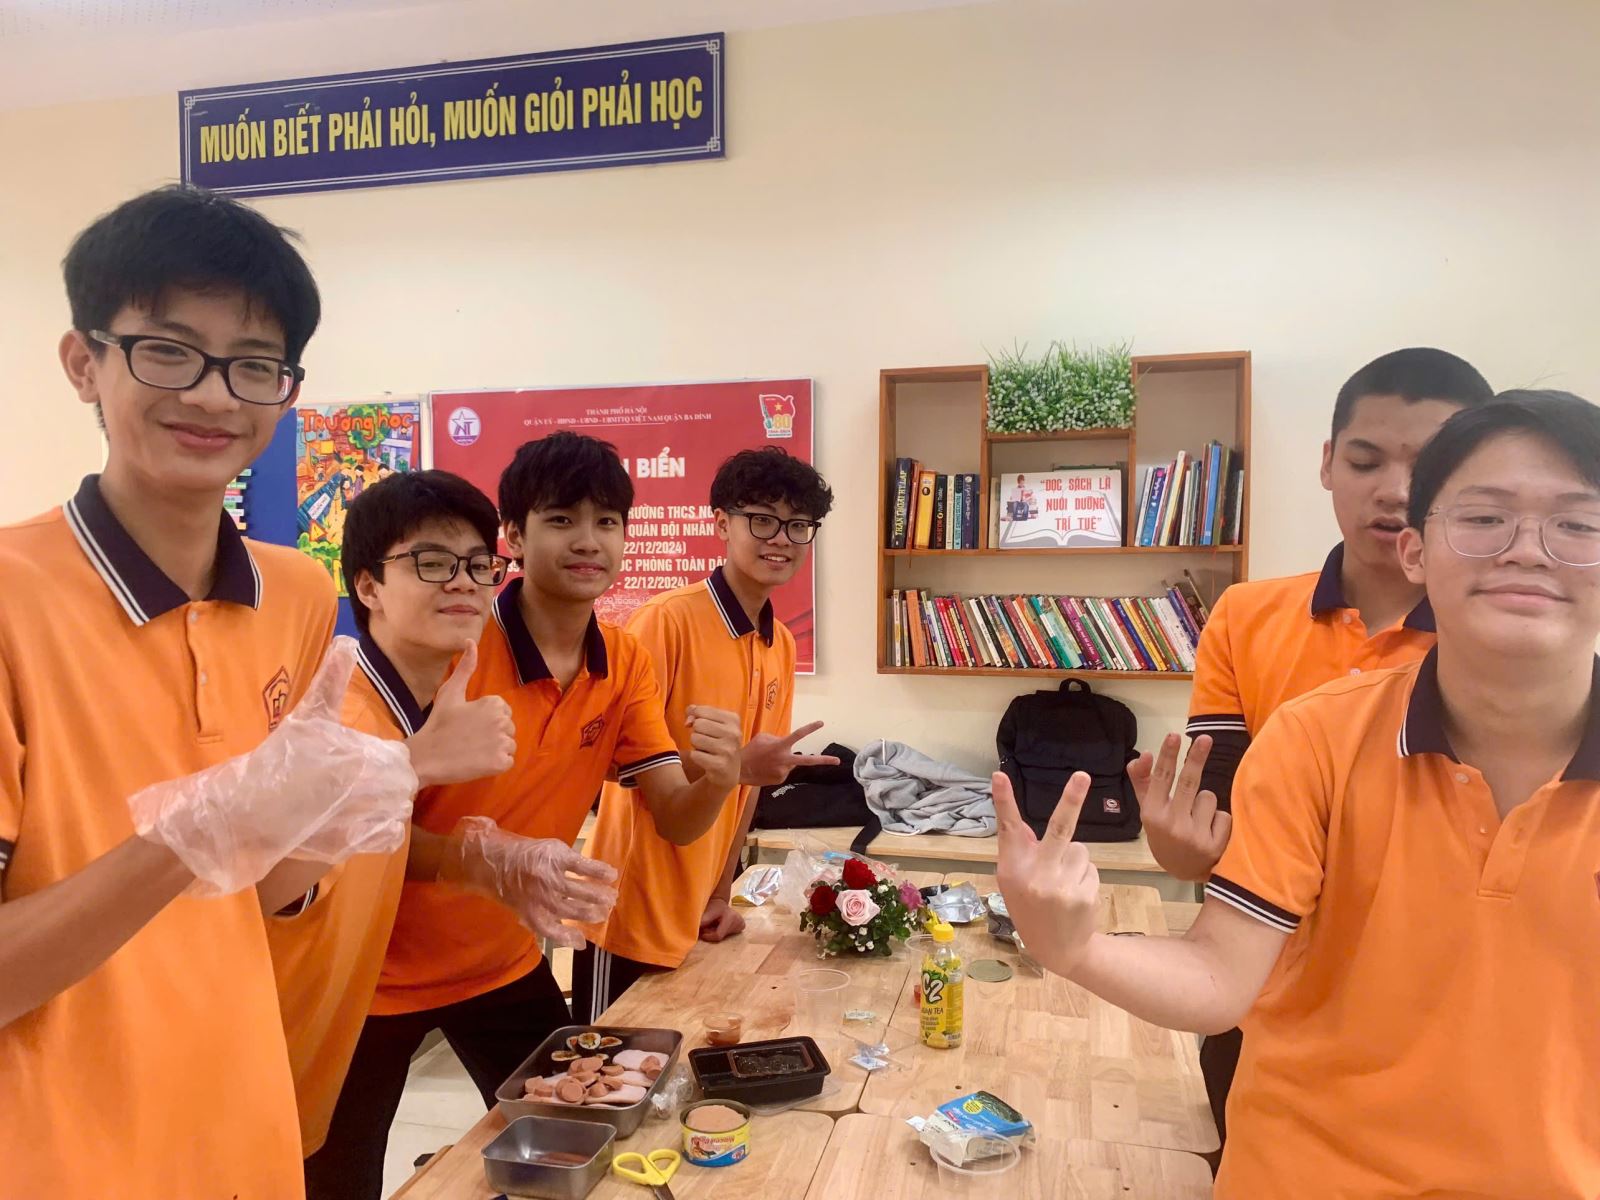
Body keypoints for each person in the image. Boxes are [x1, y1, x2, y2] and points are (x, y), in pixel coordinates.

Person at [0, 186, 490, 1199]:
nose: (215, 397)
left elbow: (255, 894)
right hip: (59, 1154)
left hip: (244, 1127)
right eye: (168, 351)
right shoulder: (11, 600)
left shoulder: (297, 593)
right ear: (84, 362)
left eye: (253, 365)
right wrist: (190, 834)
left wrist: (346, 811)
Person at [995, 390, 1600, 1196]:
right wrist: (1076, 948)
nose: (1527, 550)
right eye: (1485, 518)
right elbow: (1220, 975)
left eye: (1578, 524)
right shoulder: (1315, 736)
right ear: (1417, 553)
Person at [313, 431, 746, 1200]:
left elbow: (678, 821)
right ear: (513, 537)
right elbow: (346, 830)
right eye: (561, 520)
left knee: (581, 1147)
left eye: (607, 521)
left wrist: (720, 779)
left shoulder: (622, 662)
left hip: (501, 963)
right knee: (334, 1181)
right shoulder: (447, 643)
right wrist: (480, 859)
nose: (588, 541)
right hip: (367, 977)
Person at [1134, 347, 1493, 1143]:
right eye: (1365, 460)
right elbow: (1218, 829)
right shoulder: (1245, 616)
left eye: (1429, 464)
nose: (1394, 490)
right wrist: (1179, 846)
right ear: (1328, 463)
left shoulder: (1493, 634)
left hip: (1440, 1022)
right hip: (1256, 998)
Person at [274, 469, 516, 1168]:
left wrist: (493, 864)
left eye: (479, 564)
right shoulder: (341, 716)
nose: (464, 582)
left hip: (326, 1040)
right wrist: (411, 765)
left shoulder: (417, 705)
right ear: (369, 586)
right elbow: (263, 880)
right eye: (432, 562)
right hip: (268, 1056)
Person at [574, 446, 839, 1019]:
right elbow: (607, 761)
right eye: (762, 520)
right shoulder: (665, 621)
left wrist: (721, 891)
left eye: (798, 525)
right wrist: (736, 765)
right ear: (721, 523)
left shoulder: (779, 642)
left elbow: (751, 781)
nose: (781, 539)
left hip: (699, 909)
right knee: (603, 1066)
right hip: (628, 911)